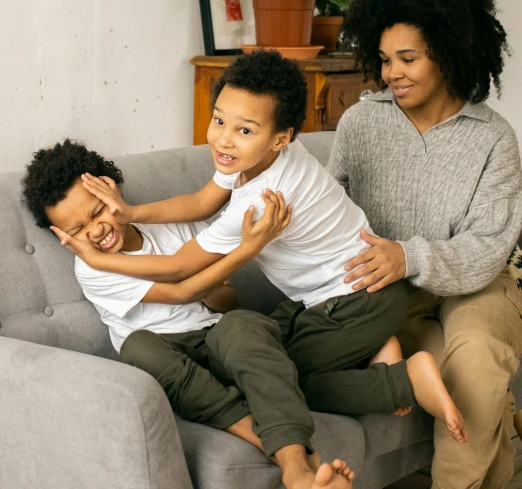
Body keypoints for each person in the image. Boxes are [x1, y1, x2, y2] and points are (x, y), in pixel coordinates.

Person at [51, 51, 467, 442]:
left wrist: (95, 258)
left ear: (280, 137)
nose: (224, 141)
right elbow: (200, 202)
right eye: (219, 121)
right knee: (262, 359)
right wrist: (132, 212)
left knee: (281, 381)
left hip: (354, 300)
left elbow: (179, 269)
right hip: (337, 297)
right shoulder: (262, 159)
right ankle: (378, 348)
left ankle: (404, 381)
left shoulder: (260, 201)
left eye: (244, 130)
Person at [22, 140, 355, 489]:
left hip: (213, 336)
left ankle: (298, 467)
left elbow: (227, 300)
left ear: (113, 190)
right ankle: (286, 456)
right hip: (170, 360)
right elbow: (181, 289)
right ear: (63, 237)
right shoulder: (92, 268)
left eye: (98, 212)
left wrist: (214, 289)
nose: (96, 230)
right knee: (137, 347)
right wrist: (247, 249)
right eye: (77, 230)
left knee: (245, 325)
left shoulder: (174, 226)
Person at [327, 0, 522, 489]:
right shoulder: (361, 123)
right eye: (384, 59)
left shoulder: (493, 138)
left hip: (478, 283)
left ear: (450, 52)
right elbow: (332, 207)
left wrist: (408, 254)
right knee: (470, 379)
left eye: (407, 58)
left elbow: (490, 244)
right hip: (390, 292)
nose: (392, 73)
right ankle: (492, 481)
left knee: (480, 351)